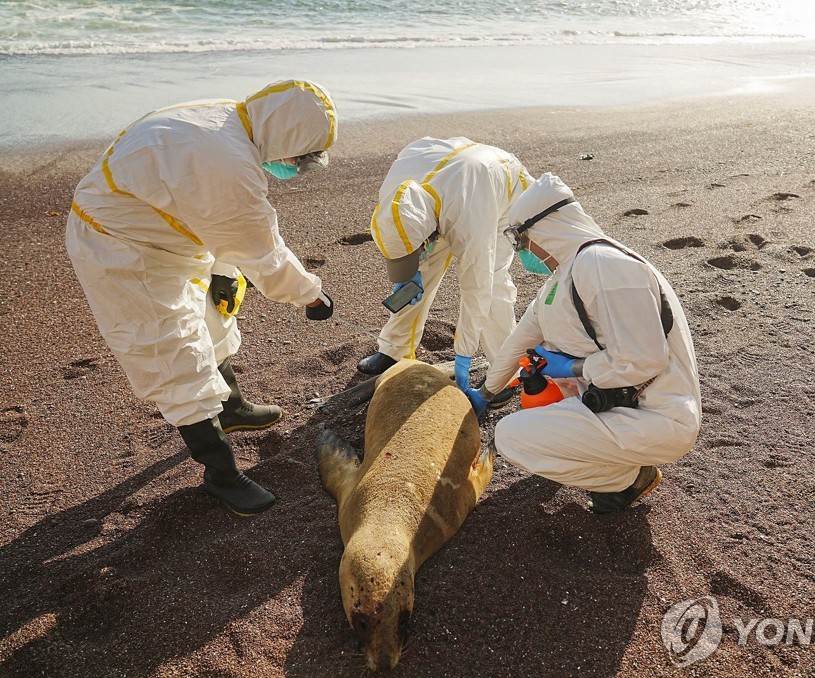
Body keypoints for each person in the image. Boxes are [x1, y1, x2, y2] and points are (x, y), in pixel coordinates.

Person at [66, 79, 338, 516]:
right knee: (174, 352)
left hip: (169, 230)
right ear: (286, 135)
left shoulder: (228, 118)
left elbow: (211, 214)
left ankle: (231, 406)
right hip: (123, 249)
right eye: (299, 157)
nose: (293, 165)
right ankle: (222, 474)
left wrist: (222, 269)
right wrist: (311, 296)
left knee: (215, 318)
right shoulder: (227, 164)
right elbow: (263, 254)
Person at [466, 173, 701, 514]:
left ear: (546, 228)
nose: (525, 252)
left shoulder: (605, 266)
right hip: (620, 402)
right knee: (538, 404)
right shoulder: (565, 276)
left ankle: (627, 477)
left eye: (523, 241)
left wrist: (574, 367)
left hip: (660, 417)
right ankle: (620, 467)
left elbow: (645, 360)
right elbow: (520, 341)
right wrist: (485, 393)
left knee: (511, 437)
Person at [357, 137, 533, 405]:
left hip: (498, 192)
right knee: (421, 272)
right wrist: (406, 272)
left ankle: (504, 372)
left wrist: (464, 353)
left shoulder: (469, 217)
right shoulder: (394, 195)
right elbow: (402, 233)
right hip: (452, 183)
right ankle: (395, 349)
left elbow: (477, 287)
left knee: (493, 283)